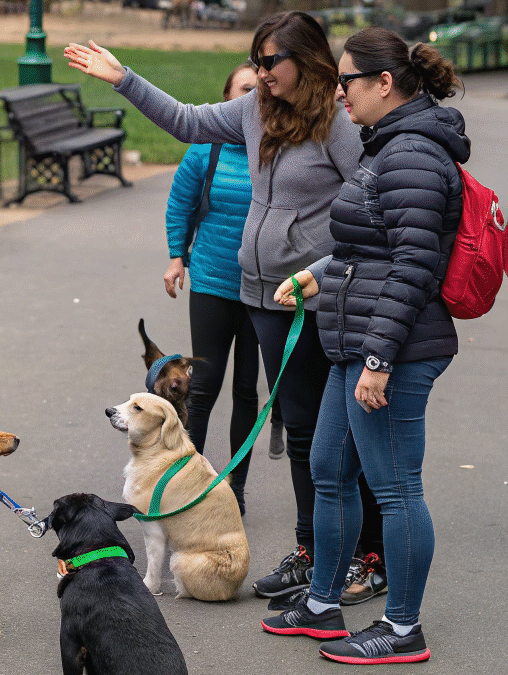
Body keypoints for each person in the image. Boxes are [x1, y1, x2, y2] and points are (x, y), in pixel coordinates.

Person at [64, 11, 385, 599]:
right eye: (255, 61)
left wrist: (315, 274)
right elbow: (186, 121)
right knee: (300, 429)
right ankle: (311, 548)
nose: (260, 73)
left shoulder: (338, 127)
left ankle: (362, 552)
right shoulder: (255, 111)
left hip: (315, 303)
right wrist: (123, 78)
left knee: (324, 433)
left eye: (270, 63)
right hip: (263, 297)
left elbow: (364, 217)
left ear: (306, 62)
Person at [265, 28, 466, 664]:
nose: (339, 91)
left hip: (395, 349)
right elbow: (362, 248)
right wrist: (316, 274)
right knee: (330, 471)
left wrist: (378, 359)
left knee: (397, 487)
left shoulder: (413, 154)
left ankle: (403, 626)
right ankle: (324, 603)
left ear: (385, 84)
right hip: (356, 338)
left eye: (348, 80)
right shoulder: (386, 146)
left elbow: (412, 266)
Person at [162, 61, 259, 515]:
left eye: (259, 90)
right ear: (226, 99)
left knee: (247, 390)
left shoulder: (278, 146)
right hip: (213, 284)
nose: (251, 99)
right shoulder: (207, 148)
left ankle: (235, 489)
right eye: (243, 90)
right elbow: (180, 202)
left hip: (266, 291)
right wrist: (176, 256)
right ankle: (189, 485)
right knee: (203, 388)